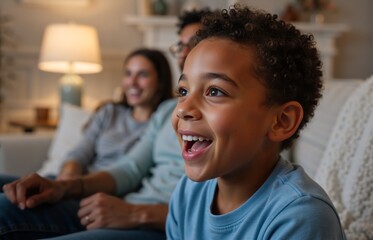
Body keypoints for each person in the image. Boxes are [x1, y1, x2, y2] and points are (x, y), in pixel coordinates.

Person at [0, 9, 211, 240]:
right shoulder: (166, 112)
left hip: (157, 224)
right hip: (123, 209)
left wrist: (136, 214)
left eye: (196, 42)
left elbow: (215, 210)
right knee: (7, 206)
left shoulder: (224, 121)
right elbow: (130, 169)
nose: (186, 54)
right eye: (181, 47)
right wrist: (62, 187)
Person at [166, 5, 346, 239]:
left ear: (281, 121)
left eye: (215, 92)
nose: (184, 109)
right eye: (183, 91)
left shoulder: (301, 215)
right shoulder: (188, 193)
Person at [0, 48, 173, 187]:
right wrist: (67, 178)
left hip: (98, 193)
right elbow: (80, 152)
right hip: (68, 182)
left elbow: (134, 174)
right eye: (128, 73)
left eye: (142, 75)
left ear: (161, 81)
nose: (132, 82)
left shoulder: (163, 125)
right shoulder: (109, 111)